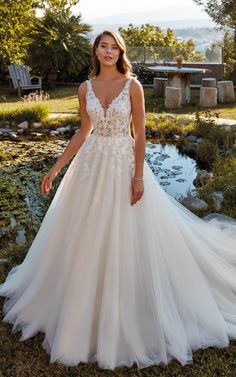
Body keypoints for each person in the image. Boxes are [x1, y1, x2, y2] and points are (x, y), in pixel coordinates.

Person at [0, 30, 236, 371]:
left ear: (119, 52)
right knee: (84, 234)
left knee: (131, 233)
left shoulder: (133, 86)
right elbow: (84, 132)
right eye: (103, 46)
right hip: (92, 167)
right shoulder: (85, 88)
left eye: (114, 47)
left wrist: (138, 176)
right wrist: (54, 170)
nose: (108, 51)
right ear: (95, 51)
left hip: (124, 165)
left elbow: (140, 134)